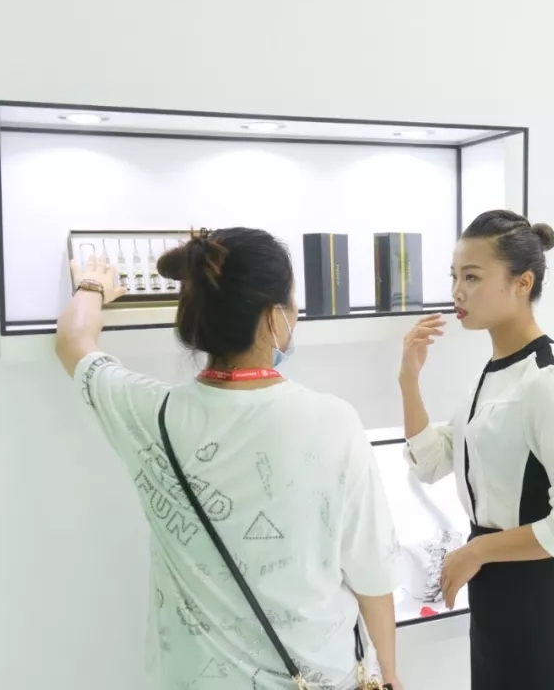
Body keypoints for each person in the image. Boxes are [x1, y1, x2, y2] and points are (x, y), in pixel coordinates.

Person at [55, 227, 404, 690]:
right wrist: (390, 674)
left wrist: (92, 284)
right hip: (320, 678)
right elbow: (372, 575)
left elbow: (73, 341)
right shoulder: (334, 421)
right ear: (273, 317)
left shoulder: (150, 415)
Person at [397, 210, 554, 690]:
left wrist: (478, 550)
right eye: (454, 276)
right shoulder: (492, 372)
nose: (458, 292)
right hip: (493, 593)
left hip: (537, 598)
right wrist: (409, 379)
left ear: (522, 282)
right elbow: (431, 462)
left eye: (472, 277)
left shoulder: (546, 380)